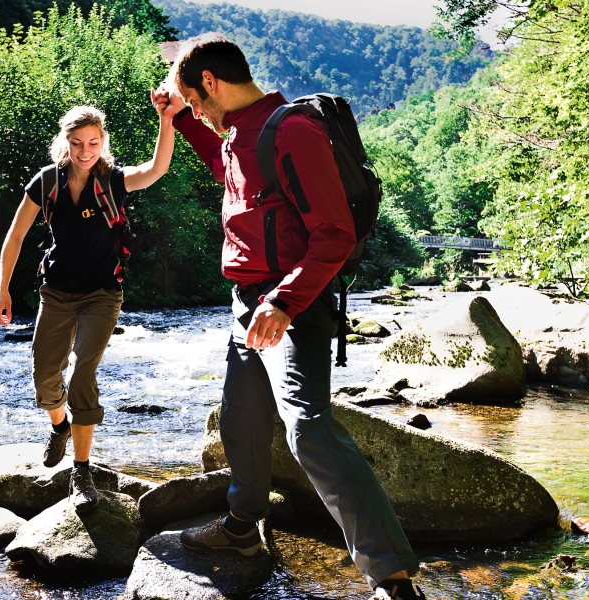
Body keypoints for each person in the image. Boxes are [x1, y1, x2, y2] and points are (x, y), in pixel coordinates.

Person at [159, 34, 425, 600]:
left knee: (307, 427)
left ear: (210, 83)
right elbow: (224, 167)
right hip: (246, 303)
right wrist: (181, 122)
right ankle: (241, 529)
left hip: (292, 305)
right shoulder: (236, 137)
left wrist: (283, 301)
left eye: (196, 101)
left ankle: (393, 578)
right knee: (241, 418)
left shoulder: (294, 131)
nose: (199, 114)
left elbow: (335, 233)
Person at [0, 98, 176, 513]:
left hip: (102, 294)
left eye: (93, 142)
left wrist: (166, 120)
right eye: (77, 142)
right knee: (45, 377)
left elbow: (157, 169)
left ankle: (81, 469)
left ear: (102, 142)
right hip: (56, 292)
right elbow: (15, 236)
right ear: (66, 143)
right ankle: (59, 428)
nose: (85, 150)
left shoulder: (113, 181)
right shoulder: (47, 182)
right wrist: (2, 290)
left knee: (83, 373)